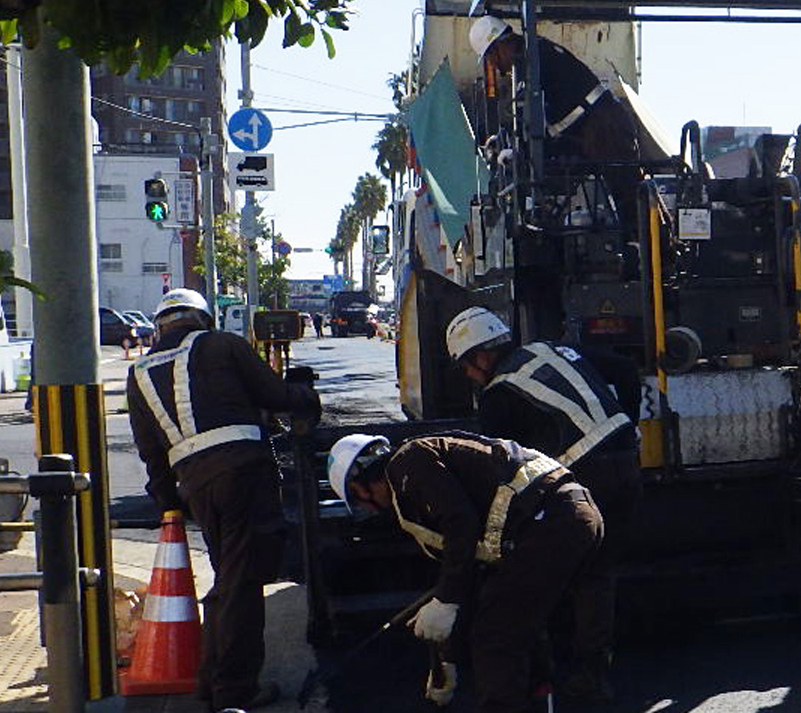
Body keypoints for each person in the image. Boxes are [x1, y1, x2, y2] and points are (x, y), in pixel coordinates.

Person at [125, 288, 321, 712]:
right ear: (202, 318)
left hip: (195, 485)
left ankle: (211, 683)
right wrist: (306, 395)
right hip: (243, 473)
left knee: (229, 578)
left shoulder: (138, 373)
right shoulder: (221, 344)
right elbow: (276, 396)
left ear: (161, 326)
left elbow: (149, 450)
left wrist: (168, 505)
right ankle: (235, 691)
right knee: (243, 585)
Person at [327, 432, 603, 712]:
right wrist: (447, 657)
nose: (367, 509)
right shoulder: (413, 482)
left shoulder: (406, 463)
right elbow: (469, 576)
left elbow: (461, 524)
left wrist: (446, 601)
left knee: (495, 635)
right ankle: (539, 699)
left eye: (359, 502)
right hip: (566, 516)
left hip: (550, 521)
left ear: (359, 486)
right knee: (516, 625)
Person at [446, 307, 641, 704]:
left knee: (561, 571)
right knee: (599, 573)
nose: (469, 376)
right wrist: (629, 423)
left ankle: (557, 670)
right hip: (627, 462)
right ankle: (593, 669)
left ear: (481, 356)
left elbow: (501, 471)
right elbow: (623, 368)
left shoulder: (498, 394)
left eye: (466, 367)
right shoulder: (554, 349)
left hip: (589, 478)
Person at [470, 16, 642, 229]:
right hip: (595, 127)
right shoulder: (533, 54)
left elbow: (533, 122)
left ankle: (650, 250)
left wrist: (518, 150)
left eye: (489, 58)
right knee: (623, 203)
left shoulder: (531, 61)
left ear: (497, 48)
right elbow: (546, 124)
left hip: (605, 128)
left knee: (630, 204)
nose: (493, 66)